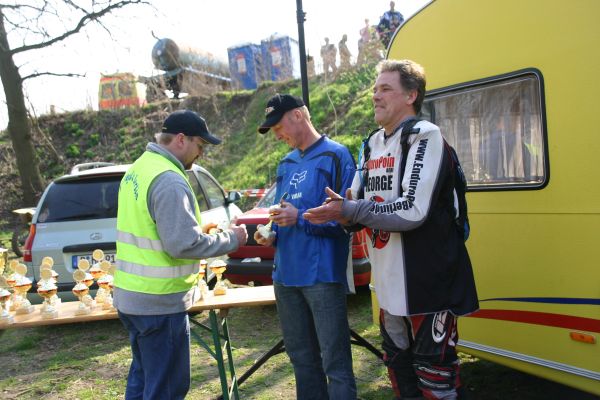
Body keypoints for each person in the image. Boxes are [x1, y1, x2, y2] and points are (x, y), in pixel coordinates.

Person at [303, 60, 479, 400]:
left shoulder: (424, 135)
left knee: (435, 376)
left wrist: (351, 210)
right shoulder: (372, 143)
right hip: (388, 284)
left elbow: (412, 209)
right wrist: (339, 213)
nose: (375, 96)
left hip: (428, 283)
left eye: (385, 89)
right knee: (399, 369)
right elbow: (357, 205)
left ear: (411, 95)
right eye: (375, 89)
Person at [114, 109, 248, 400]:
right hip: (159, 303)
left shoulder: (140, 168)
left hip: (132, 297)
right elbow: (182, 245)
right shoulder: (169, 180)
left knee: (143, 382)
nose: (201, 154)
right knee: (166, 389)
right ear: (181, 139)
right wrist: (231, 239)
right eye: (200, 145)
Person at [255, 93, 358, 399]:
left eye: (278, 126)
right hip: (285, 277)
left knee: (335, 363)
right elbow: (281, 213)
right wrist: (271, 233)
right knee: (301, 360)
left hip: (321, 276)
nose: (277, 134)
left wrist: (298, 217)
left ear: (298, 115)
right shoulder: (285, 163)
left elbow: (348, 220)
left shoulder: (336, 155)